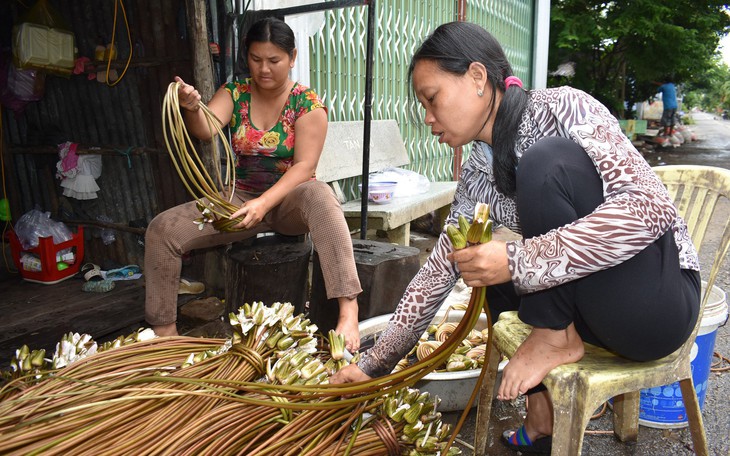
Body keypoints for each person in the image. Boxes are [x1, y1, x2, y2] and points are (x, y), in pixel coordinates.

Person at [331, 21, 700, 454]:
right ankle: (542, 416)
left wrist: (519, 258)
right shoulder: (475, 174)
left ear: (476, 77)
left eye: (432, 99)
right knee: (481, 264)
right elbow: (436, 274)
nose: (427, 118)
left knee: (544, 168)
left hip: (656, 307)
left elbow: (652, 210)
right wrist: (374, 366)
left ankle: (553, 335)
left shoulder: (564, 108)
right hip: (594, 313)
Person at [145, 17, 362, 351]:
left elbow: (305, 167)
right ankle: (164, 335)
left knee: (321, 194)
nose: (264, 69)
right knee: (162, 231)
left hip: (290, 201)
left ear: (292, 57)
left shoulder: (307, 103)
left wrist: (264, 204)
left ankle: (348, 310)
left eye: (274, 60)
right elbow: (205, 128)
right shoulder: (236, 92)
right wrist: (190, 107)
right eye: (256, 59)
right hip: (239, 200)